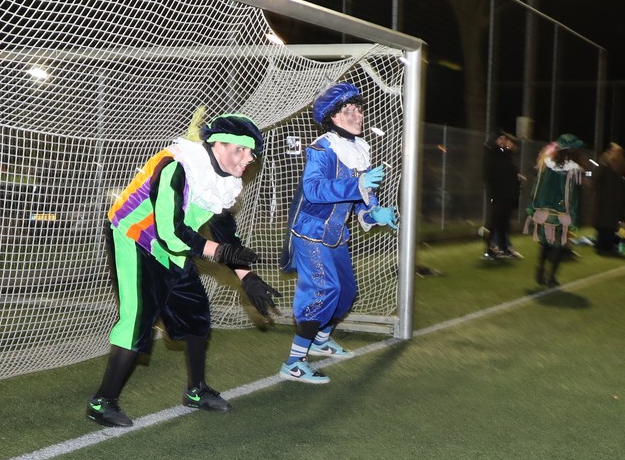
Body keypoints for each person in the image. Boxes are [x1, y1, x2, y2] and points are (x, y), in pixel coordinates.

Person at [87, 113, 281, 427]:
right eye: (241, 150)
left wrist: (247, 277)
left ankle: (196, 390)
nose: (249, 158)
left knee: (196, 315)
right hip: (135, 238)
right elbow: (170, 232)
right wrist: (220, 252)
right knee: (138, 319)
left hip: (175, 246)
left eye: (251, 152)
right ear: (217, 145)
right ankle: (101, 402)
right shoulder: (176, 166)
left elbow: (225, 236)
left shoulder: (224, 180)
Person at [279, 82, 399, 385]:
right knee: (323, 290)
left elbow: (362, 200)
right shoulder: (323, 148)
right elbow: (313, 189)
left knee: (346, 292)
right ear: (333, 116)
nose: (358, 115)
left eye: (359, 109)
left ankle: (320, 340)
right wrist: (357, 185)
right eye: (349, 111)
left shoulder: (360, 149)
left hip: (336, 233)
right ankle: (294, 362)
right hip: (311, 232)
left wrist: (375, 213)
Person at [525, 133, 586, 288]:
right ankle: (551, 276)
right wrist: (574, 217)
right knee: (559, 245)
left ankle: (540, 269)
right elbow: (573, 196)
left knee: (546, 243)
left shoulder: (546, 165)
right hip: (561, 213)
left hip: (544, 212)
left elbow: (536, 187)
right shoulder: (573, 170)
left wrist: (532, 207)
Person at [482, 130, 523, 260]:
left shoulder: (505, 155)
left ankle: (503, 249)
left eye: (504, 139)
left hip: (507, 196)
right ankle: (489, 250)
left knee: (503, 224)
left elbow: (509, 171)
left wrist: (516, 179)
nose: (503, 141)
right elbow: (493, 176)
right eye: (500, 139)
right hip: (499, 195)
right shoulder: (494, 154)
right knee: (494, 223)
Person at [592, 143, 625, 256]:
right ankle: (601, 247)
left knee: (611, 226)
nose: (617, 155)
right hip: (604, 202)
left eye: (619, 153)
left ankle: (608, 247)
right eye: (615, 152)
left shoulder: (620, 168)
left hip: (615, 203)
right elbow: (595, 181)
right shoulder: (603, 166)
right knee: (603, 225)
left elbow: (624, 185)